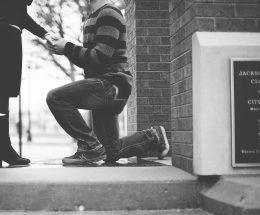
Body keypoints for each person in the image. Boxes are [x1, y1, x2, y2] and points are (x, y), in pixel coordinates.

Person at [46, 0, 169, 164]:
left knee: (56, 97)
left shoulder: (109, 13)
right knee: (110, 151)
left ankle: (89, 146)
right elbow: (90, 60)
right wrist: (65, 50)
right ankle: (153, 136)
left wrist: (67, 48)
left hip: (112, 84)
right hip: (104, 84)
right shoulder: (92, 17)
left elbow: (100, 58)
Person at [0, 0, 55, 167]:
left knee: (4, 90)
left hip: (7, 32)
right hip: (5, 33)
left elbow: (21, 14)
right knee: (2, 89)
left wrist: (45, 33)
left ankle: (1, 147)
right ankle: (3, 147)